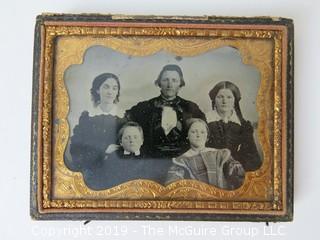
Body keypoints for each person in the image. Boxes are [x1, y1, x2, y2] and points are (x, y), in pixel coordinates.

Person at [125, 64, 206, 158]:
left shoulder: (191, 108)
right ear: (159, 83)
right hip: (151, 159)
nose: (170, 84)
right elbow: (125, 125)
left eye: (174, 80)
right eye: (165, 80)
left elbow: (204, 134)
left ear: (180, 84)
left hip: (184, 159)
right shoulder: (145, 107)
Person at [66, 73, 125, 181]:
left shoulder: (124, 117)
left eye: (114, 88)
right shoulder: (87, 117)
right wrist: (104, 150)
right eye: (106, 87)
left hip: (118, 172)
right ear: (97, 90)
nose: (110, 92)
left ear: (117, 92)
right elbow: (76, 148)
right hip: (92, 171)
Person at [83, 122, 172, 190]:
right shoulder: (112, 159)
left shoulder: (150, 160)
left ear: (142, 141)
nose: (131, 141)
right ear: (121, 142)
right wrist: (106, 154)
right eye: (127, 137)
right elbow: (94, 175)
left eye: (135, 137)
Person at [166, 118, 245, 190]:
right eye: (193, 132)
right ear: (187, 135)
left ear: (207, 136)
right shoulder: (181, 161)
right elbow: (173, 185)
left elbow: (238, 174)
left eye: (202, 132)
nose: (198, 135)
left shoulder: (220, 154)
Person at [206, 81, 262, 171]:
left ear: (235, 101)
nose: (224, 101)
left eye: (229, 97)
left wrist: (236, 166)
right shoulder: (204, 121)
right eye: (220, 97)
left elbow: (252, 156)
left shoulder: (244, 125)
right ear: (214, 100)